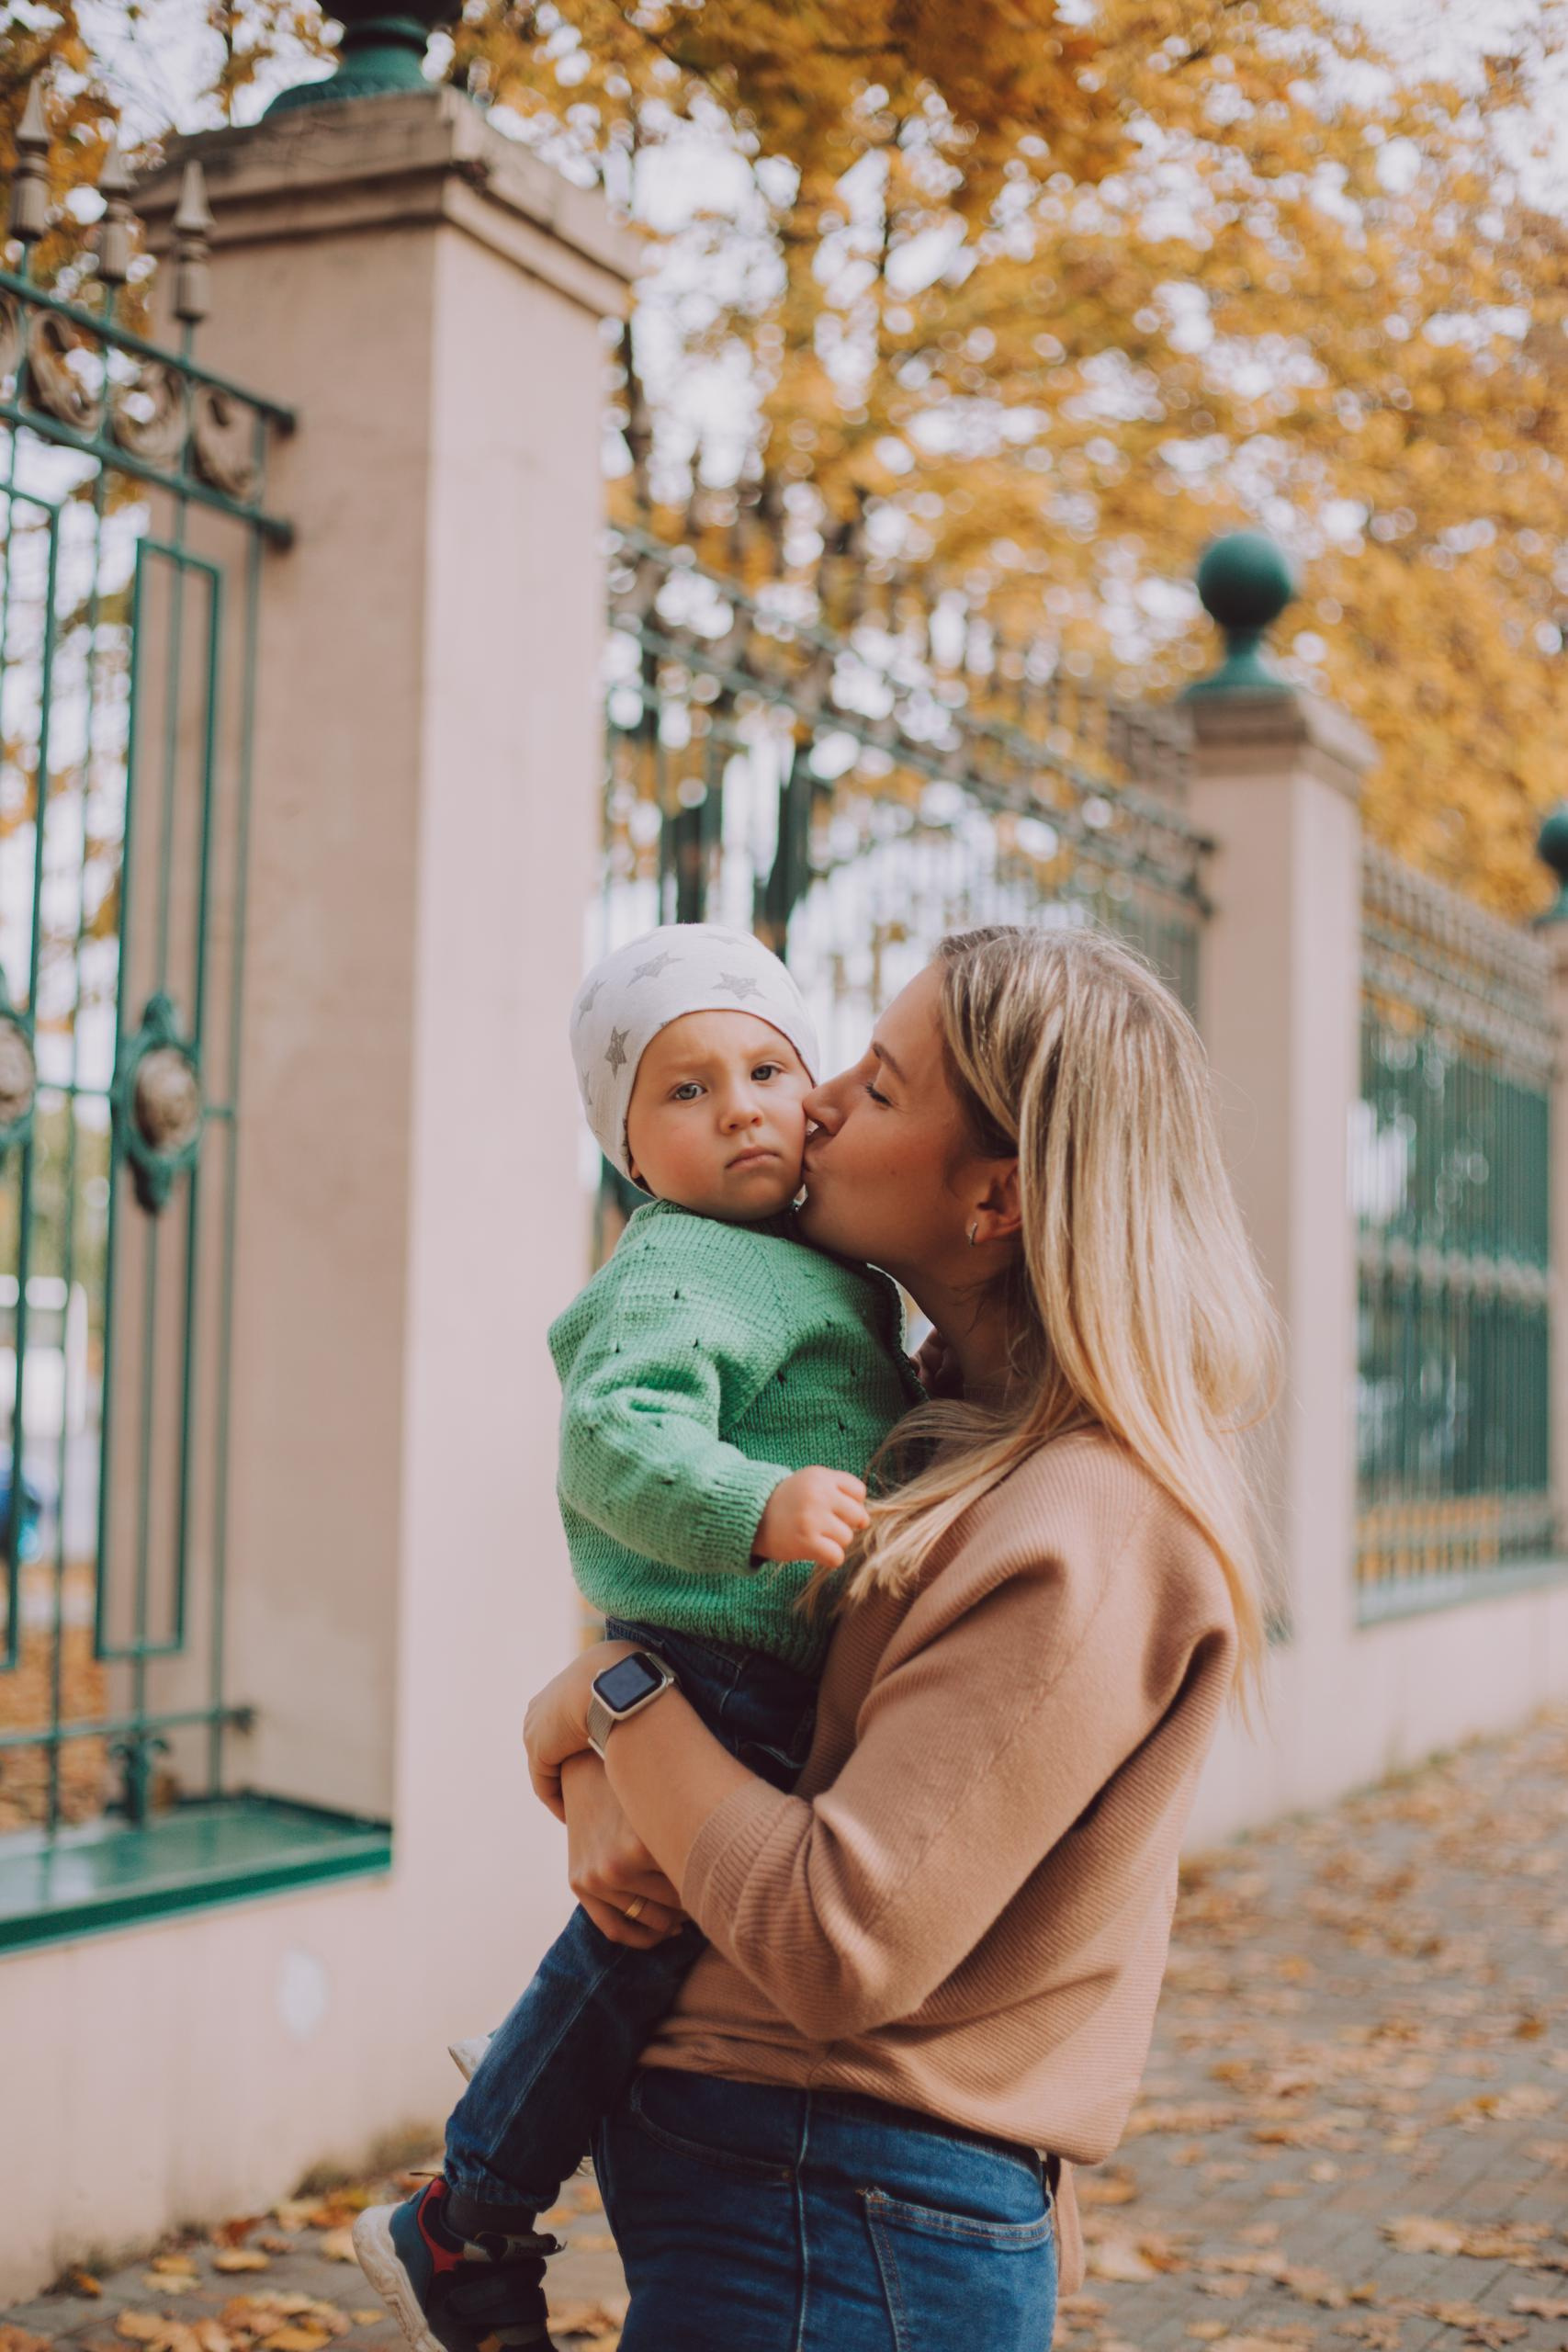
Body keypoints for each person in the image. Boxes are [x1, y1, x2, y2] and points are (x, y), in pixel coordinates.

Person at [518, 923, 1280, 2352]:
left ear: (994, 1195)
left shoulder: (1088, 1528)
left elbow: (834, 1938)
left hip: (851, 2218)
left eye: (872, 1084)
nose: (806, 1104)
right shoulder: (928, 1431)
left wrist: (606, 1706)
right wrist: (599, 1740)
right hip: (799, 2198)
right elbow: (736, 1692)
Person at [354, 922, 921, 2352]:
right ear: (629, 1151)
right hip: (718, 1660)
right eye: (684, 1089)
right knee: (643, 1934)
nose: (738, 1107)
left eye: (767, 1070)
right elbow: (613, 1439)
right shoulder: (684, 1264)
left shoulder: (806, 1257)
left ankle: (537, 2068)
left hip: (756, 1660)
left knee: (644, 1942)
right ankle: (466, 2209)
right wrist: (757, 1505)